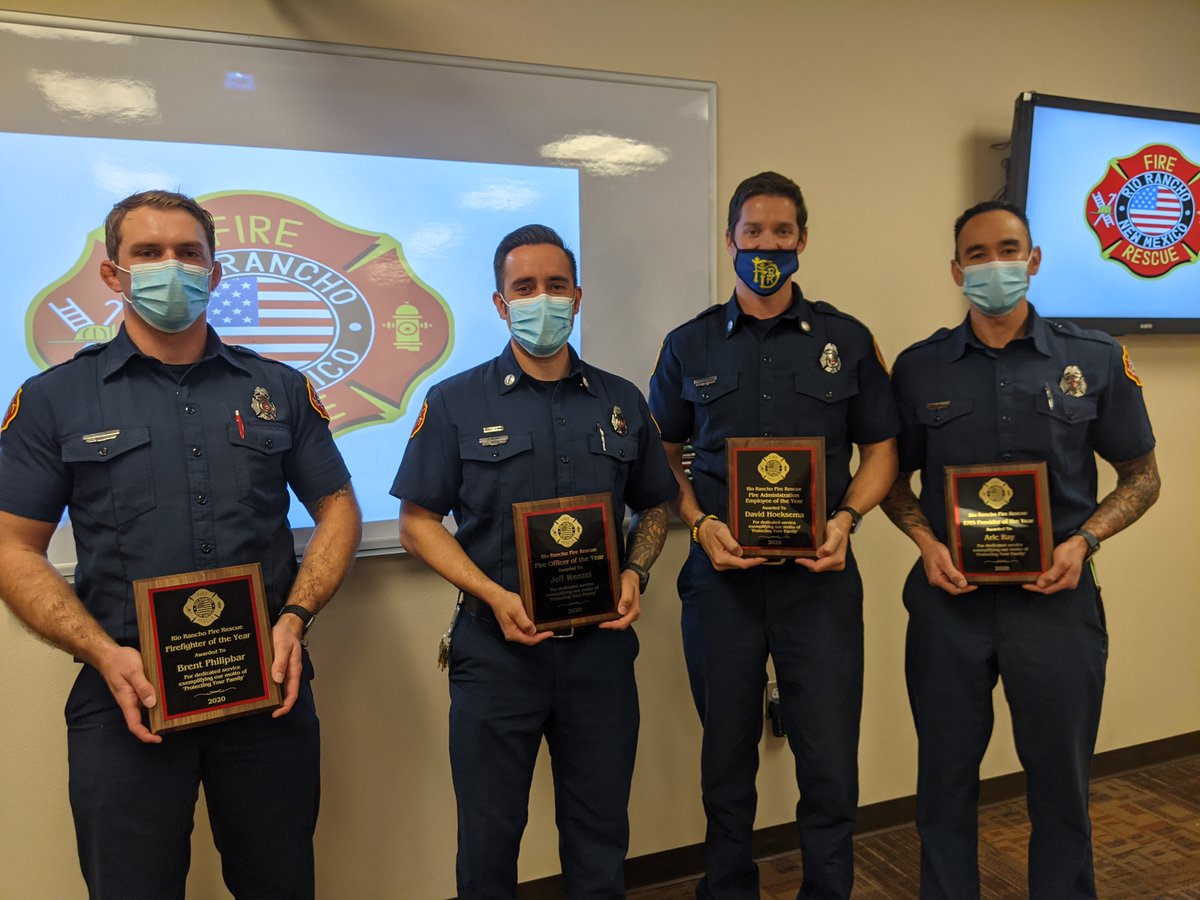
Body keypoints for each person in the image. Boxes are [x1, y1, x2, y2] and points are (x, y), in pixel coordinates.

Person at [0, 190, 362, 899]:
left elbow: (338, 505)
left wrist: (296, 618)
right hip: (124, 697)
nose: (172, 267)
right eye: (148, 252)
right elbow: (13, 546)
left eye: (188, 253)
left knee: (280, 883)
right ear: (113, 273)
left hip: (268, 696)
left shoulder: (278, 388)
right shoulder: (54, 400)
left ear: (214, 270)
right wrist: (101, 652)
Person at [881, 200, 1160, 899]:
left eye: (1009, 249)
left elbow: (1143, 476)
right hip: (952, 607)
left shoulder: (1092, 360)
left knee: (1060, 786)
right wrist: (924, 539)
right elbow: (890, 482)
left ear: (1033, 260)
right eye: (977, 255)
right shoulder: (919, 369)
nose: (994, 265)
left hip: (1058, 606)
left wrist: (1085, 540)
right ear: (956, 270)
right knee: (943, 785)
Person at [392, 224, 677, 897]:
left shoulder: (620, 401)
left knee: (600, 833)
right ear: (499, 303)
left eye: (555, 286)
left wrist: (636, 573)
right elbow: (416, 524)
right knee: (490, 838)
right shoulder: (455, 401)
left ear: (577, 296)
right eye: (525, 288)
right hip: (497, 654)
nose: (541, 299)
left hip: (600, 656)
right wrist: (492, 594)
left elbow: (655, 508)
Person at [648, 171, 899, 898]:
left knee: (827, 757)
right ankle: (728, 888)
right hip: (721, 584)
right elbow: (660, 456)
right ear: (730, 240)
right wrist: (698, 522)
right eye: (753, 232)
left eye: (781, 233)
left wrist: (847, 518)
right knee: (725, 759)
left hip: (818, 585)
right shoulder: (688, 344)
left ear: (803, 242)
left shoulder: (847, 341)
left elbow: (882, 448)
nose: (767, 244)